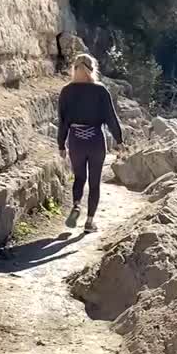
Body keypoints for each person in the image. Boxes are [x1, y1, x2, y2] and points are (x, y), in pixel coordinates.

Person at [57, 53, 124, 233]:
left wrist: (61, 145)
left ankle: (77, 205)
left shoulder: (66, 91)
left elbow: (62, 121)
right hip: (95, 139)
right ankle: (89, 222)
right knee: (94, 182)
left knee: (79, 178)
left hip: (76, 139)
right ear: (92, 69)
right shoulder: (100, 90)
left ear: (74, 69)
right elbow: (111, 118)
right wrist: (119, 140)